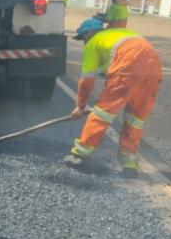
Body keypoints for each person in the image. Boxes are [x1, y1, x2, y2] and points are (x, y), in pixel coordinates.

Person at [64, 18, 162, 174]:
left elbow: (87, 80)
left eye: (83, 38)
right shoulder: (122, 34)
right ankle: (129, 165)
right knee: (135, 121)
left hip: (125, 73)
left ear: (90, 33)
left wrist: (81, 106)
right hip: (153, 74)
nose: (84, 42)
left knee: (101, 115)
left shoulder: (94, 42)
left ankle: (79, 154)